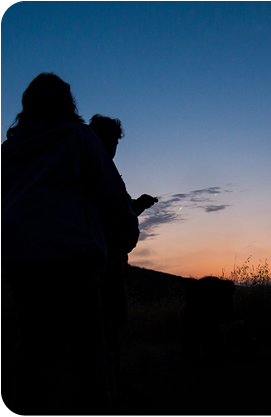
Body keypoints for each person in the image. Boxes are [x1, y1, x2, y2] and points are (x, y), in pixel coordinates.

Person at [2, 73, 140, 415]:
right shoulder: (79, 137)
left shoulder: (8, 151)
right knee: (87, 347)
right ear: (69, 103)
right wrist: (127, 235)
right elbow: (111, 193)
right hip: (73, 255)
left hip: (21, 257)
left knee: (31, 346)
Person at [89, 114, 157, 406]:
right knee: (106, 321)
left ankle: (112, 382)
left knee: (110, 322)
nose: (111, 146)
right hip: (100, 257)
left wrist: (136, 206)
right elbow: (109, 212)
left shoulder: (105, 169)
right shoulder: (92, 168)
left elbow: (118, 209)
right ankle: (108, 389)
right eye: (106, 140)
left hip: (110, 257)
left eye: (114, 141)